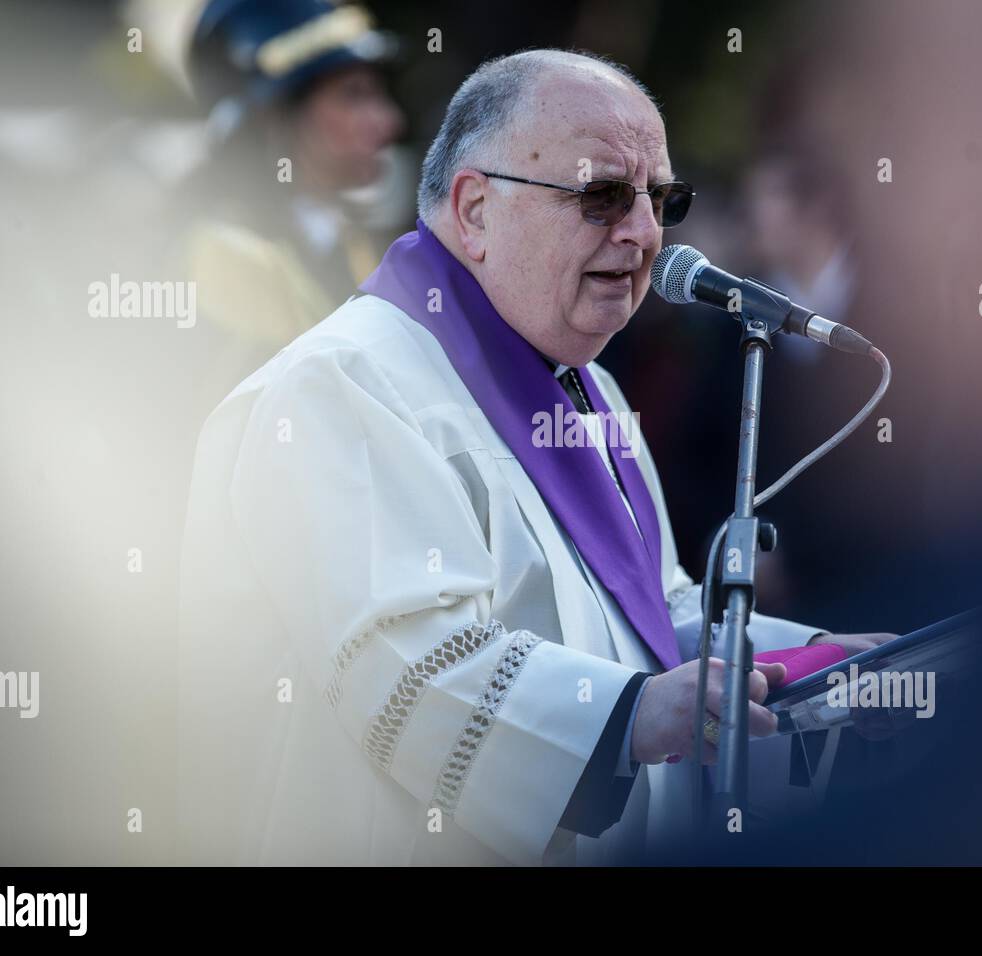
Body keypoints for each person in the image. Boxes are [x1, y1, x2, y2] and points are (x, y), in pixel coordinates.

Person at [177, 48, 893, 866]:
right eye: (603, 196)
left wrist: (816, 659)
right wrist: (628, 716)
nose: (645, 234)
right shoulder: (341, 384)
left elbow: (652, 619)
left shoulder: (589, 391)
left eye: (660, 200)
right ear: (476, 210)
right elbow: (406, 665)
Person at [176, 0, 407, 410]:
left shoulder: (361, 241)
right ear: (274, 115)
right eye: (354, 95)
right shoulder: (229, 255)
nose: (389, 121)